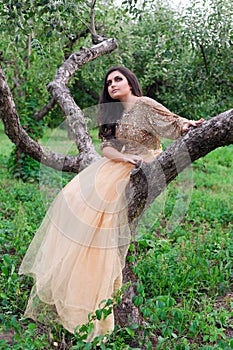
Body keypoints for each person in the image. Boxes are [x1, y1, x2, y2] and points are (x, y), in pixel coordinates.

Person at [19, 66, 204, 341]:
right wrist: (123, 158)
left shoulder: (144, 104)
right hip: (118, 165)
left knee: (103, 218)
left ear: (130, 82)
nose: (113, 85)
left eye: (118, 79)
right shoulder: (112, 113)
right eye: (108, 82)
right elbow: (106, 147)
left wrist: (190, 125)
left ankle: (96, 302)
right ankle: (75, 290)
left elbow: (173, 123)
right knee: (72, 199)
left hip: (146, 162)